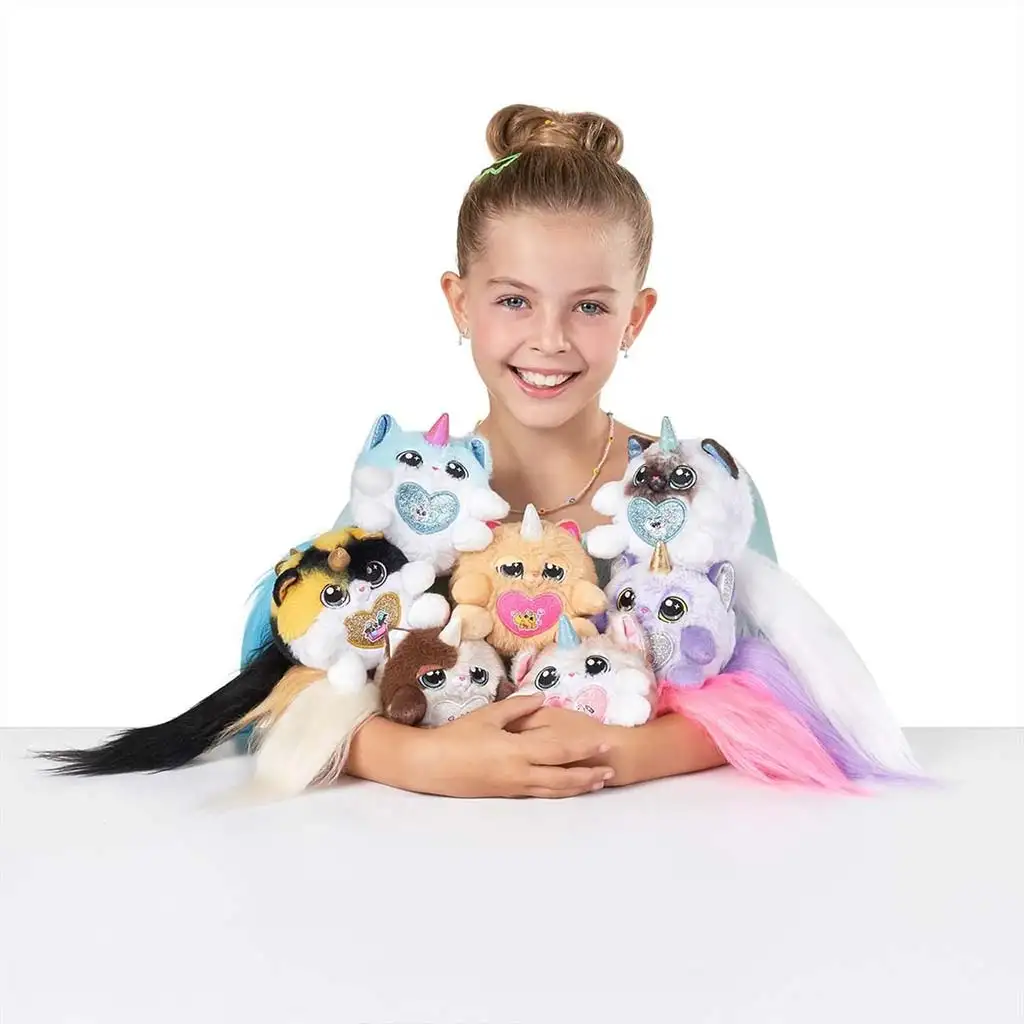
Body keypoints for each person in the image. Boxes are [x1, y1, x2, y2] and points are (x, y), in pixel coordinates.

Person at [246, 103, 778, 800]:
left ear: (635, 317)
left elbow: (782, 691)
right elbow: (277, 684)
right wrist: (419, 760)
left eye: (590, 307)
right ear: (460, 303)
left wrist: (622, 751)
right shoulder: (408, 498)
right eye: (514, 301)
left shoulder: (697, 495)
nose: (550, 339)